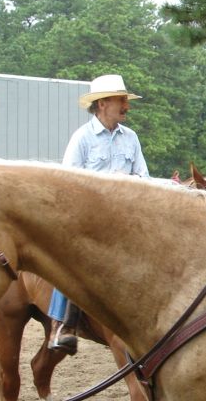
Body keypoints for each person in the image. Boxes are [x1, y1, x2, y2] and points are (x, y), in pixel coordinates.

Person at [48, 74, 149, 354]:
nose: (126, 106)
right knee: (71, 258)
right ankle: (64, 325)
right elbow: (67, 183)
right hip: (89, 220)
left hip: (127, 218)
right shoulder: (82, 138)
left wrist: (129, 182)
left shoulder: (131, 138)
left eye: (125, 100)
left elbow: (144, 175)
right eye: (121, 100)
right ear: (103, 104)